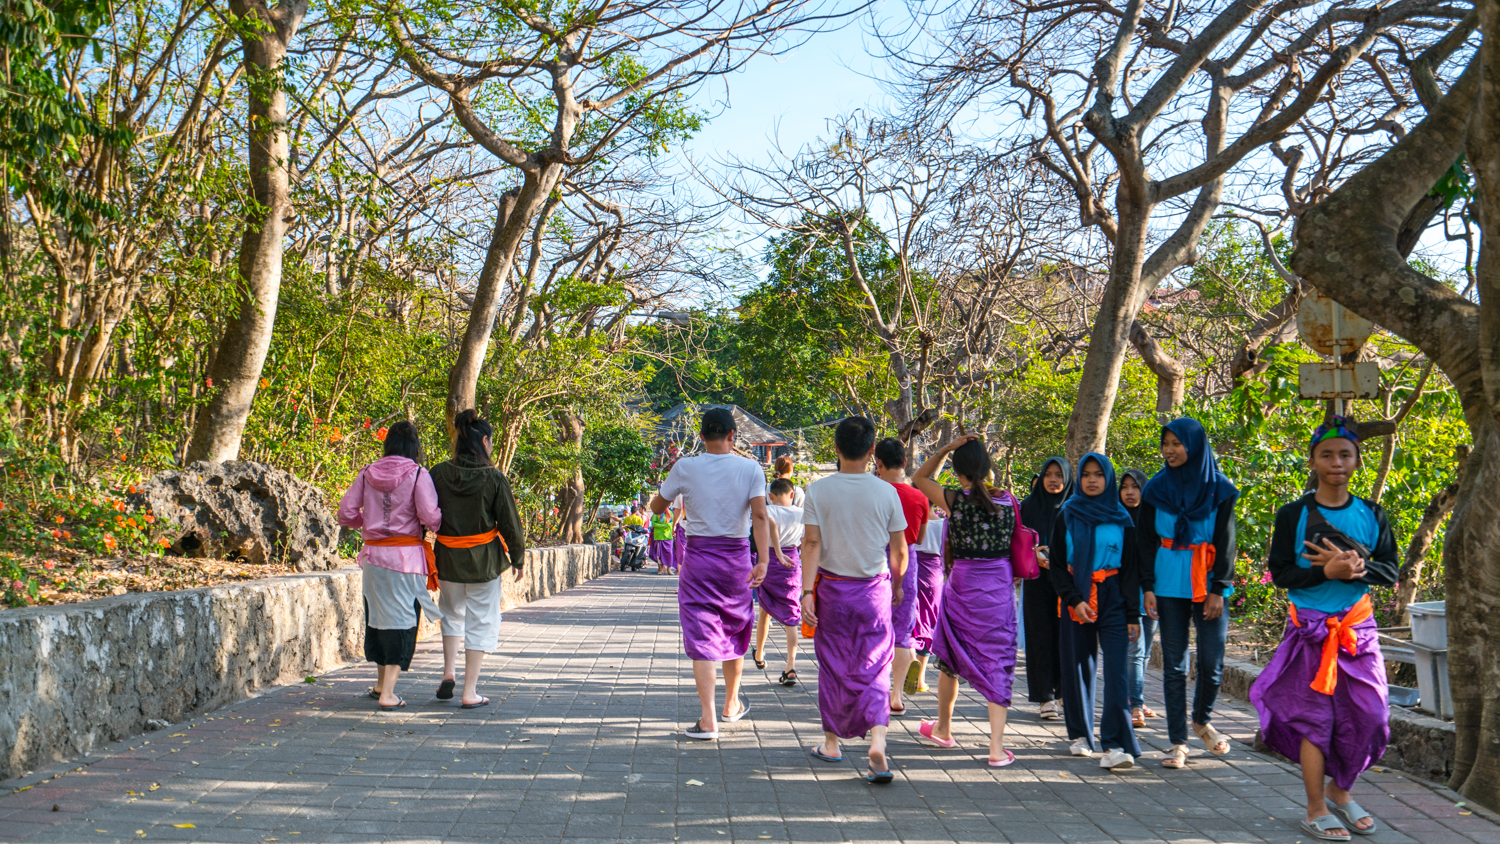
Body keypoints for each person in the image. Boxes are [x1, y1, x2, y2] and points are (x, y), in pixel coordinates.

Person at [1250, 417, 1398, 840]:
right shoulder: (1293, 514)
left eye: (1345, 454)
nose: (1336, 461)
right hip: (1311, 632)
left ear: (1357, 461)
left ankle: (1341, 789)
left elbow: (1389, 569)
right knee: (1315, 722)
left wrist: (1355, 570)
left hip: (1357, 631)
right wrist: (1324, 572)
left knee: (1371, 716)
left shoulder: (1372, 513)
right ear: (1312, 460)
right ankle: (1316, 807)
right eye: (1327, 454)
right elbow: (1280, 573)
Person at [651, 407, 771, 740]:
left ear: (701, 436)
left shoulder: (685, 466)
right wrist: (763, 561)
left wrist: (669, 499)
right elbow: (760, 517)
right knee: (734, 627)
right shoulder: (751, 469)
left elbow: (658, 507)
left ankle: (707, 720)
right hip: (737, 561)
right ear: (733, 435)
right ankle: (731, 705)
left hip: (699, 559)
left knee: (703, 635)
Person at [800, 417, 907, 783]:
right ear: (872, 451)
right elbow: (899, 549)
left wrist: (806, 591)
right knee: (876, 666)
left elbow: (811, 544)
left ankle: (831, 743)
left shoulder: (818, 491)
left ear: (836, 448)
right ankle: (878, 742)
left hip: (831, 589)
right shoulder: (887, 493)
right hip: (874, 590)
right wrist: (897, 585)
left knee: (833, 666)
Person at [911, 435, 1019, 768]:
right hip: (999, 590)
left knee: (951, 657)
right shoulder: (1009, 502)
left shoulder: (954, 500)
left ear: (959, 472)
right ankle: (997, 748)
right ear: (988, 468)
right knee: (998, 660)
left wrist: (943, 449)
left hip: (962, 587)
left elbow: (918, 479)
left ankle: (943, 728)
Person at [1139, 417, 1239, 768]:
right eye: (1166, 443)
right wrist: (1148, 587)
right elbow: (1146, 543)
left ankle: (1201, 719)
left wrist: (1218, 589)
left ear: (1194, 445)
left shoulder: (1221, 489)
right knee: (1174, 665)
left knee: (1212, 663)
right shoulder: (1154, 489)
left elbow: (1227, 543)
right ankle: (1178, 741)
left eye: (1177, 443)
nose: (1169, 450)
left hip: (1208, 583)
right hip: (1167, 585)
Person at [337, 421, 443, 710]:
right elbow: (431, 518)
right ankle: (388, 695)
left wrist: (369, 523)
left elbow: (345, 513)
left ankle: (381, 684)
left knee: (378, 618)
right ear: (413, 446)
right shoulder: (418, 474)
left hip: (373, 558)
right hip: (406, 560)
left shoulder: (368, 472)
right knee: (404, 622)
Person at [1051, 453, 1143, 770]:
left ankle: (1115, 743)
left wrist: (1134, 614)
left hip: (1114, 594)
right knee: (1079, 667)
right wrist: (1075, 599)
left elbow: (1131, 570)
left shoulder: (1122, 519)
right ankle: (1079, 734)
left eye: (1098, 475)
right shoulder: (1067, 514)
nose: (1092, 480)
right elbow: (1058, 567)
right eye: (1086, 474)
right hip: (1078, 593)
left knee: (1117, 671)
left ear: (1108, 480)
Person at [430, 409, 527, 709]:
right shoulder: (494, 478)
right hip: (484, 562)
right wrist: (518, 557)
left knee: (451, 614)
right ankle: (469, 691)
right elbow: (510, 522)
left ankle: (448, 672)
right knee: (481, 621)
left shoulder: (438, 473)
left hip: (446, 558)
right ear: (484, 441)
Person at [872, 437, 930, 717]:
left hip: (874, 560)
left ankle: (877, 690)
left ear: (878, 463)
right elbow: (918, 538)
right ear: (905, 462)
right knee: (903, 631)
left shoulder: (872, 493)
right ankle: (896, 696)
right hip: (907, 561)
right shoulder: (919, 497)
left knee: (874, 626)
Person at [1020, 457, 1071, 719]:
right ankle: (1045, 697)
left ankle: (1064, 692)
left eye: (1059, 475)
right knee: (1040, 636)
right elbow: (1017, 541)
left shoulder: (1075, 507)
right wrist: (1034, 554)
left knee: (1066, 637)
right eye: (1049, 474)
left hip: (1067, 583)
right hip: (1037, 581)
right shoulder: (1028, 507)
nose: (1053, 480)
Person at [751, 479, 805, 686]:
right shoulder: (801, 514)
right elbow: (805, 541)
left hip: (770, 559)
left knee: (765, 608)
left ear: (770, 496)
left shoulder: (768, 511)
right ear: (792, 495)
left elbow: (769, 525)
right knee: (792, 616)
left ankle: (760, 654)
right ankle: (790, 665)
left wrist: (778, 551)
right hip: (793, 562)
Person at [1120, 467, 1159, 727]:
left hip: (1153, 592)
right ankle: (1134, 704)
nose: (1130, 492)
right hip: (1126, 594)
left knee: (1145, 654)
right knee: (1135, 650)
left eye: (1135, 487)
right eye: (1125, 487)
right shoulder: (1116, 519)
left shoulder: (1154, 519)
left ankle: (1137, 697)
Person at [904, 505, 947, 696]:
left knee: (911, 619)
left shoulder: (910, 522)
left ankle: (910, 664)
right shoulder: (943, 524)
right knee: (929, 621)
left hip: (912, 569)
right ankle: (920, 679)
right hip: (934, 574)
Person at [650, 507, 675, 574]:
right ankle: (661, 569)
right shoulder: (656, 513)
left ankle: (669, 569)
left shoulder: (670, 513)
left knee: (669, 553)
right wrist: (664, 526)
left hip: (668, 536)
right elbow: (654, 523)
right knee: (659, 553)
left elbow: (673, 522)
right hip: (659, 536)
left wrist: (667, 526)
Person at [671, 495, 686, 575]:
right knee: (682, 557)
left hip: (699, 530)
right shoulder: (680, 493)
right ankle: (683, 585)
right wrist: (673, 526)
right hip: (683, 528)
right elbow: (677, 510)